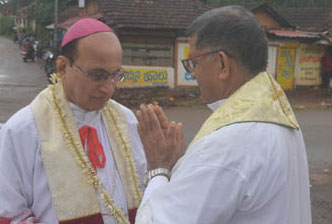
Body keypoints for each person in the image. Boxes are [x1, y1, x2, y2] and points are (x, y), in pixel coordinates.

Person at [135, 5, 311, 224]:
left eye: (194, 63)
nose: (194, 74)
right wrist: (184, 169)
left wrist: (159, 168)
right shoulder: (279, 120)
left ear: (222, 64)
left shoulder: (226, 143)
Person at [0, 18, 146, 224]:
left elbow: (142, 188)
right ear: (62, 67)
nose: (108, 88)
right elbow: (10, 212)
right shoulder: (23, 130)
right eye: (97, 75)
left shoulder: (126, 120)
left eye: (115, 75)